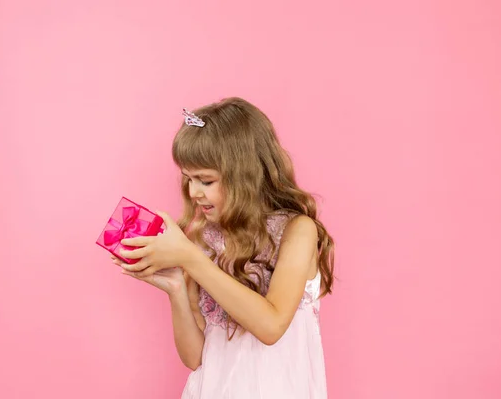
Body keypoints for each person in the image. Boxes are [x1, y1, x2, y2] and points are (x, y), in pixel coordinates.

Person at [112, 97, 335, 398]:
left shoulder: (297, 232)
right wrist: (177, 289)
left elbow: (271, 326)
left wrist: (191, 260)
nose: (193, 192)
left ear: (246, 175)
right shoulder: (204, 240)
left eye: (205, 180)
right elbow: (196, 359)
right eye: (188, 179)